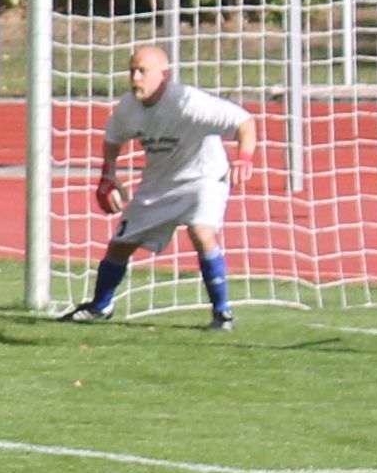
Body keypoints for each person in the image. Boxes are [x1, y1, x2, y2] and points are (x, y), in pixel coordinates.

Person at [64, 40, 258, 330]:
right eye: (132, 72)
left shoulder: (188, 102)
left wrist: (243, 159)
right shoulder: (129, 108)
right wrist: (108, 176)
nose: (135, 79)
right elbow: (113, 138)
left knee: (202, 232)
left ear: (163, 75)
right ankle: (100, 306)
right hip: (159, 184)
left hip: (203, 179)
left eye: (142, 71)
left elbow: (244, 122)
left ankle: (222, 313)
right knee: (119, 246)